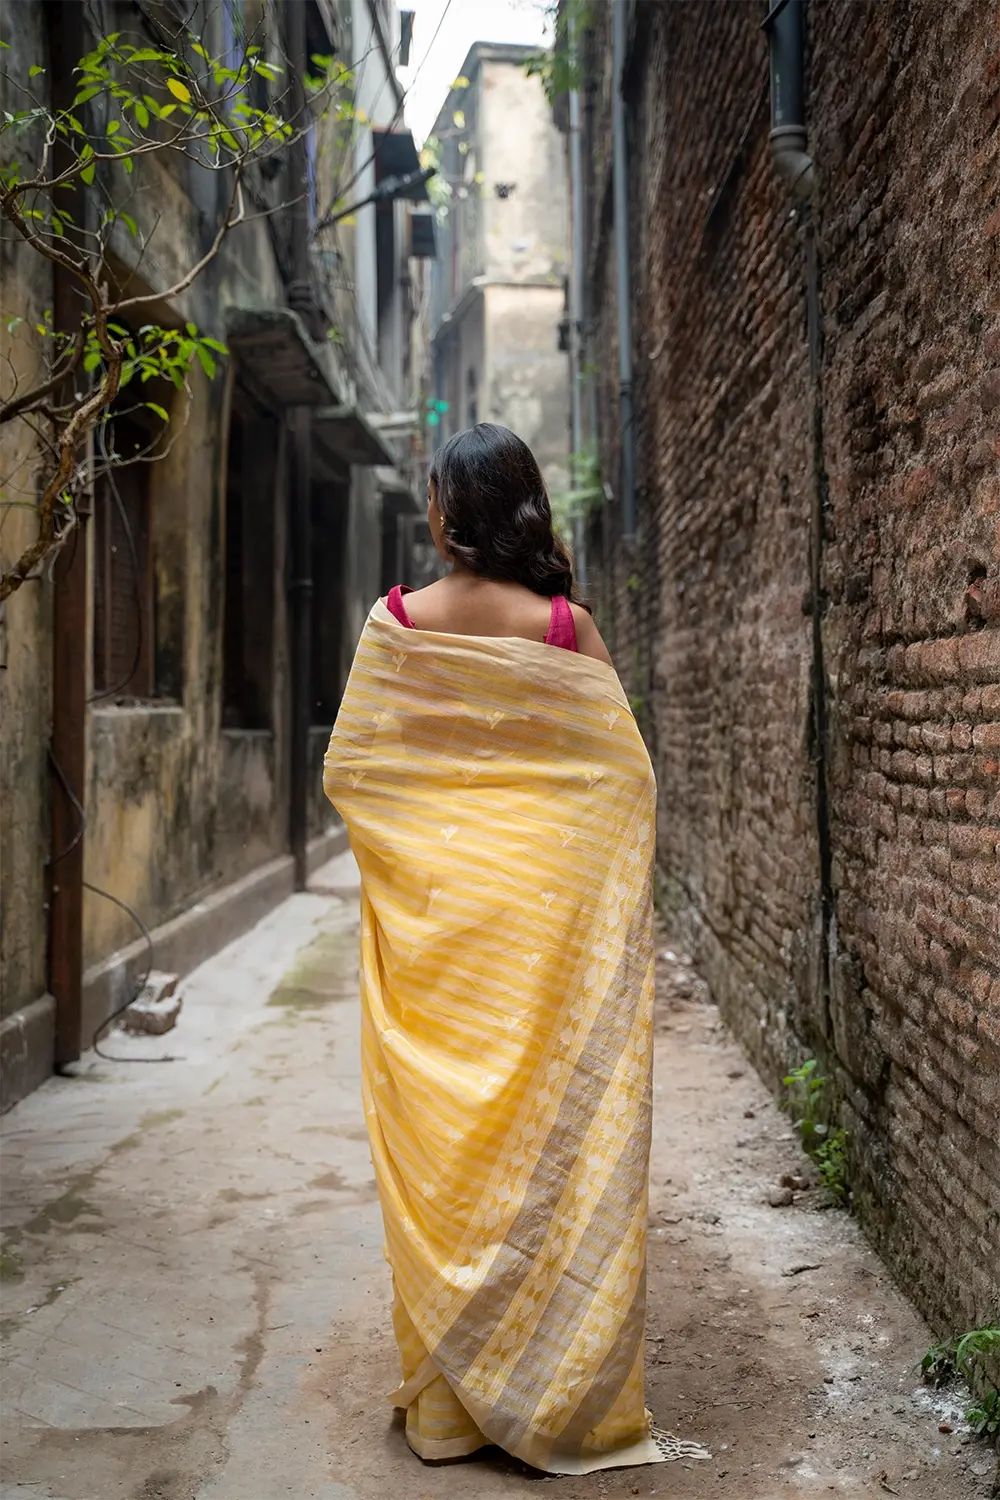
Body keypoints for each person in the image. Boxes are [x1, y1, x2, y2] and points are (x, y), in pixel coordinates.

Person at [324, 424, 707, 1475]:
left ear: (446, 514)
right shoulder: (561, 632)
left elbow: (355, 774)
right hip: (539, 936)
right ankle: (548, 1393)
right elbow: (625, 782)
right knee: (547, 1151)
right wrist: (576, 889)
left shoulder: (395, 623)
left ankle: (447, 1413)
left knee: (450, 1151)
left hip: (443, 929)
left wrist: (426, 856)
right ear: (525, 509)